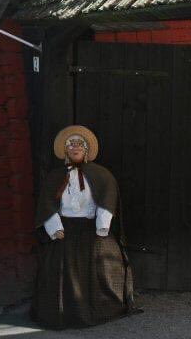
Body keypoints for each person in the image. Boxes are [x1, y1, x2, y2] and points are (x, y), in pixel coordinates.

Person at [31, 125, 135, 329]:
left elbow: (107, 199)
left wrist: (102, 226)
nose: (75, 147)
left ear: (86, 149)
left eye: (80, 144)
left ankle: (103, 308)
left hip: (93, 229)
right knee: (58, 270)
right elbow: (47, 204)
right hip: (64, 229)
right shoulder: (55, 177)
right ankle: (65, 313)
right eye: (71, 144)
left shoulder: (102, 175)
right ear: (65, 150)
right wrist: (54, 228)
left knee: (104, 265)